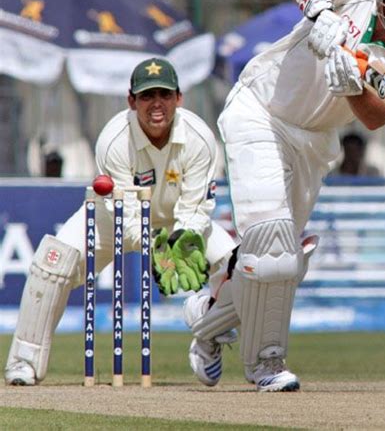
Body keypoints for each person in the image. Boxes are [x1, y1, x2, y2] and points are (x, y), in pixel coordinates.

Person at [183, 0, 385, 391]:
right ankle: (266, 364)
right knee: (271, 242)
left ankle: (207, 321)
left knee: (283, 264)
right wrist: (321, 12)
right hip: (261, 111)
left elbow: (377, 117)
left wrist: (353, 84)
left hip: (315, 142)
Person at [4, 57, 236, 386]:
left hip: (178, 222)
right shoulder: (113, 140)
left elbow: (195, 207)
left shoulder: (200, 137)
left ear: (178, 99)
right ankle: (24, 362)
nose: (157, 104)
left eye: (165, 95)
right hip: (112, 218)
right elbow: (127, 216)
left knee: (238, 267)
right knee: (51, 263)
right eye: (147, 96)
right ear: (132, 101)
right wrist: (159, 251)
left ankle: (210, 333)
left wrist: (180, 244)